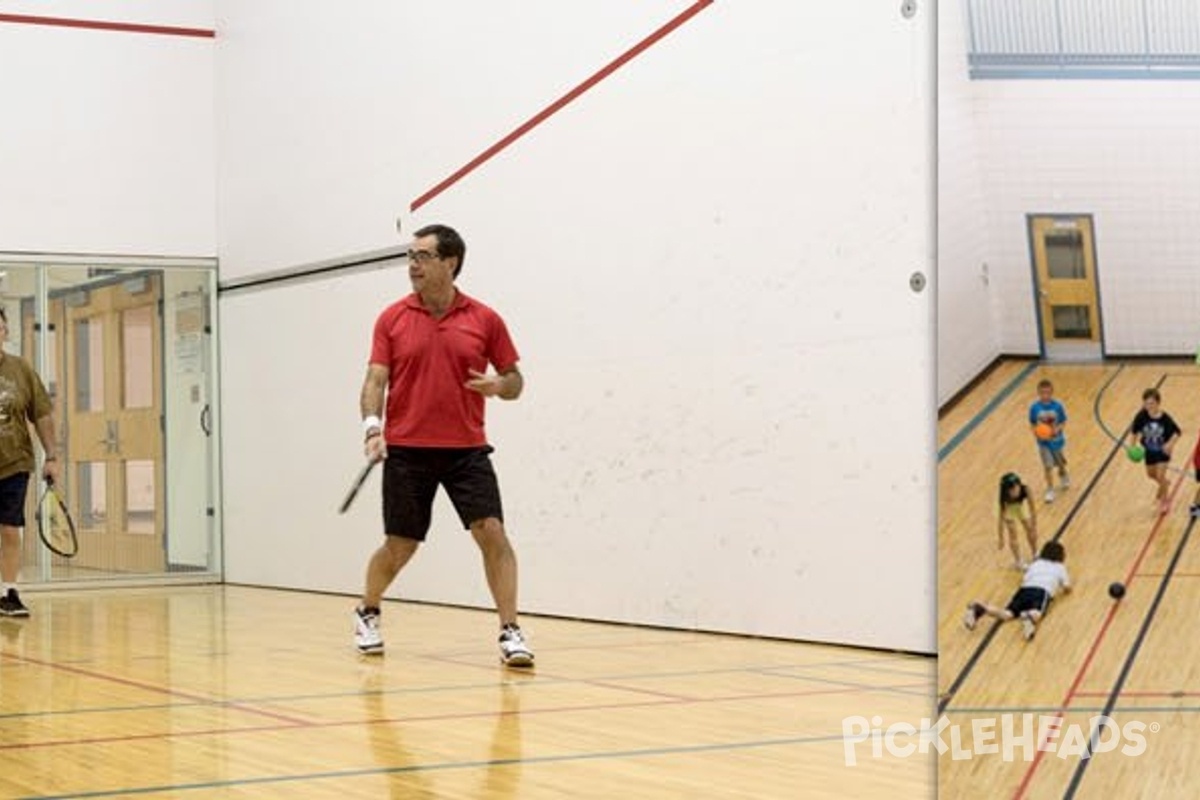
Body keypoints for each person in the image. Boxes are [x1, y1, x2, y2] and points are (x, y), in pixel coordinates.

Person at [352, 223, 533, 667]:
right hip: (407, 451)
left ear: (450, 262)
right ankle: (368, 610)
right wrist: (373, 429)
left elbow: (516, 381)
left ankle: (510, 629)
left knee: (492, 533)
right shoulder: (392, 318)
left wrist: (498, 385)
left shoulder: (484, 319)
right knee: (400, 547)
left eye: (423, 256)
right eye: (410, 257)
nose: (413, 265)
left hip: (466, 450)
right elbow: (376, 379)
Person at [0, 307, 61, 617]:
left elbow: (41, 414)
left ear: (5, 332)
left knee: (10, 529)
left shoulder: (21, 370)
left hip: (13, 464)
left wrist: (51, 455)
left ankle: (8, 593)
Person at [963, 541, 1071, 641]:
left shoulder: (1036, 564)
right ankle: (1029, 617)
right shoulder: (1060, 567)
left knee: (1007, 614)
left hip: (1024, 590)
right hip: (1042, 591)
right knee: (1038, 612)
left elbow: (1026, 576)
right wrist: (1065, 590)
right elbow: (1067, 587)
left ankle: (981, 607)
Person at [1125, 387, 1181, 516]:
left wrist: (1170, 444)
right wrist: (1131, 446)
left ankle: (1165, 501)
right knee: (1150, 475)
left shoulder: (1165, 418)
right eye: (1146, 403)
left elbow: (1177, 432)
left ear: (1158, 403)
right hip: (1149, 451)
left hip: (1163, 452)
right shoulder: (1141, 416)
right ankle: (1165, 484)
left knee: (1160, 475)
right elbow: (1134, 432)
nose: (1148, 406)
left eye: (1151, 403)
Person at [1029, 379, 1069, 503]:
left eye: (1047, 392)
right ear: (1038, 393)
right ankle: (1050, 489)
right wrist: (1036, 432)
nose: (1045, 395)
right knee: (1047, 466)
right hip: (1043, 443)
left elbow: (1063, 421)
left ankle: (1063, 474)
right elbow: (1032, 423)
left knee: (1060, 464)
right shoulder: (1034, 408)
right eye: (1042, 393)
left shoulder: (1058, 406)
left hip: (1057, 441)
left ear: (1051, 392)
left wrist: (1058, 429)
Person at [996, 472, 1037, 570]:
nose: (1013, 492)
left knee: (1030, 529)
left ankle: (1035, 553)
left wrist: (1034, 524)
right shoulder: (1003, 497)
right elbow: (1000, 519)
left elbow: (1032, 508)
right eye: (1011, 490)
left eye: (1015, 488)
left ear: (1019, 485)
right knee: (1012, 533)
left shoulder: (1026, 489)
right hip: (1009, 509)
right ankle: (1018, 561)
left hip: (1020, 507)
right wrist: (1001, 538)